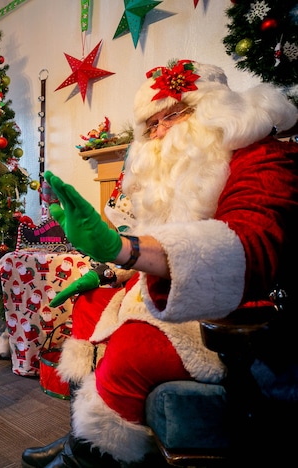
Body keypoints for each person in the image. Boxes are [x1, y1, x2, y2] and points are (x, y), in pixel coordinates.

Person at [21, 59, 298, 467]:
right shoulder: (171, 174)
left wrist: (123, 248)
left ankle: (88, 456)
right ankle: (83, 434)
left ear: (212, 109)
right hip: (168, 296)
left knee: (133, 347)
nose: (160, 132)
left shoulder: (260, 158)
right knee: (89, 305)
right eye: (151, 125)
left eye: (170, 116)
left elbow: (252, 246)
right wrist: (106, 269)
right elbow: (149, 240)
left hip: (230, 313)